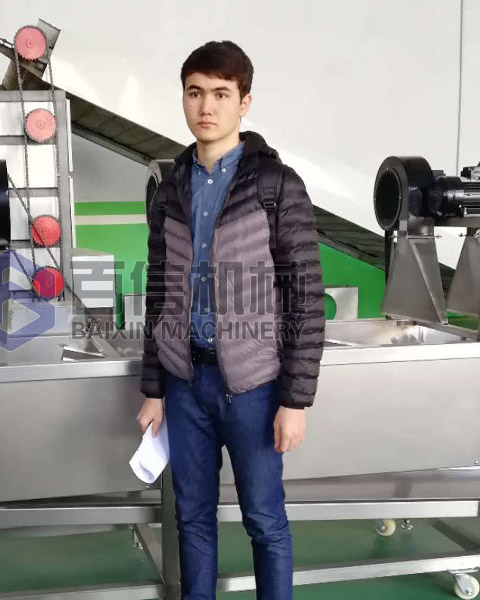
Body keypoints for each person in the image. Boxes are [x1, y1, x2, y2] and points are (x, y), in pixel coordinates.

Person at [137, 40, 325, 600]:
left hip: (255, 390)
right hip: (185, 384)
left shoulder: (276, 185)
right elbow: (158, 292)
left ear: (245, 102)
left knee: (264, 521)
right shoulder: (170, 188)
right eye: (195, 93)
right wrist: (155, 389)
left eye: (221, 94)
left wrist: (295, 401)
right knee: (191, 518)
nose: (206, 107)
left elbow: (305, 298)